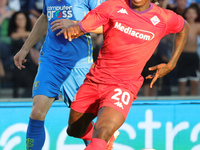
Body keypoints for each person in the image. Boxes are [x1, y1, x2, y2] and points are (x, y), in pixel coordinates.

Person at [62, 0, 189, 149]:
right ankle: (105, 139)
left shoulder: (163, 18)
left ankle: (103, 139)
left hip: (123, 86)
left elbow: (183, 27)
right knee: (74, 130)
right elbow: (85, 25)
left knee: (102, 132)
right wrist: (76, 28)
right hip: (95, 80)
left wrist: (171, 63)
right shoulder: (113, 6)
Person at [13, 0, 120, 150]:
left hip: (79, 64)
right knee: (37, 113)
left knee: (79, 124)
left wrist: (77, 25)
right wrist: (24, 49)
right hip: (51, 60)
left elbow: (109, 25)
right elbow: (44, 18)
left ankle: (102, 137)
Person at [8, 11, 38, 97]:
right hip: (19, 65)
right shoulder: (14, 34)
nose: (21, 21)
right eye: (18, 19)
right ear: (15, 21)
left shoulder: (32, 33)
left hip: (32, 65)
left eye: (23, 19)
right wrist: (33, 34)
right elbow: (13, 36)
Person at [177, 5, 200, 95]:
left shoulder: (198, 26)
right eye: (189, 13)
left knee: (194, 82)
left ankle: (192, 102)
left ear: (196, 15)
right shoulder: (181, 24)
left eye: (193, 13)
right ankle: (181, 101)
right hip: (183, 56)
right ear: (185, 14)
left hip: (193, 56)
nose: (191, 15)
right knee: (182, 82)